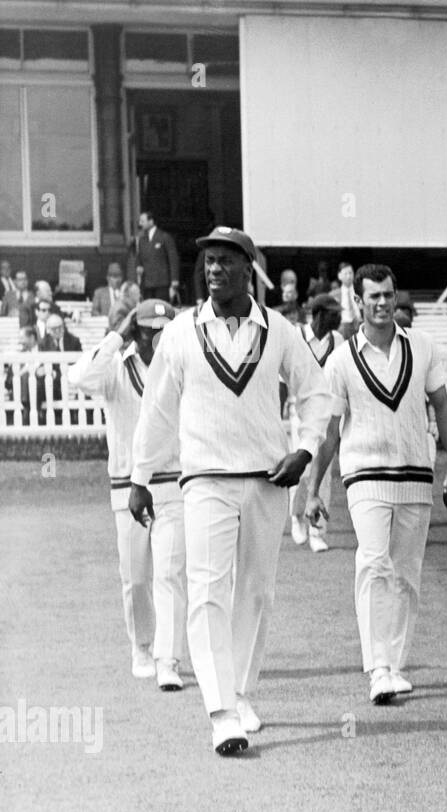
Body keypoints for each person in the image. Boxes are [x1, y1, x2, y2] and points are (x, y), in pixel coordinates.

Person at [129, 226, 332, 757]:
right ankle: (221, 713)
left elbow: (317, 394)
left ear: (249, 268)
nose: (213, 269)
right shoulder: (179, 332)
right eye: (208, 262)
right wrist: (140, 478)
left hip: (267, 479)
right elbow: (156, 411)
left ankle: (241, 693)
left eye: (224, 261)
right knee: (208, 591)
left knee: (257, 593)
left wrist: (305, 450)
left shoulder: (280, 330)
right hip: (204, 481)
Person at [304, 264, 447, 705]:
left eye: (388, 295)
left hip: (415, 473)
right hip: (365, 475)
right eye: (373, 296)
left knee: (406, 575)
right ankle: (377, 669)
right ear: (358, 301)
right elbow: (331, 430)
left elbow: (443, 406)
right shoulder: (340, 361)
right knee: (374, 564)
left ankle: (394, 666)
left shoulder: (424, 347)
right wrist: (314, 488)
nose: (382, 303)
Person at [67, 301, 187, 688]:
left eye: (165, 328)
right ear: (138, 331)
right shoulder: (116, 370)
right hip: (126, 489)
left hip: (173, 483)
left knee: (170, 574)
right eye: (151, 329)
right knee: (135, 577)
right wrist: (118, 334)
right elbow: (79, 378)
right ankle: (142, 646)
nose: (159, 335)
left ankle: (168, 658)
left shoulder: (181, 368)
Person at [289, 293, 346, 551]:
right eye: (334, 313)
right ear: (319, 314)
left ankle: (317, 531)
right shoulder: (296, 335)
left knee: (322, 472)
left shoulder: (338, 339)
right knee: (300, 471)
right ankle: (297, 517)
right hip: (299, 413)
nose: (340, 317)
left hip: (327, 414)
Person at [132, 211, 181, 303]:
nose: (140, 224)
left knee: (161, 309)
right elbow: (139, 257)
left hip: (162, 283)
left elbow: (173, 259)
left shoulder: (164, 237)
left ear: (151, 221)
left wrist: (174, 280)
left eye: (142, 221)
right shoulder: (141, 240)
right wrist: (138, 266)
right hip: (146, 283)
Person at [331, 263, 362, 339]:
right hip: (342, 328)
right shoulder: (333, 295)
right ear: (339, 276)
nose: (349, 276)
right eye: (345, 273)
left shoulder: (360, 291)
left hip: (359, 324)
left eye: (350, 273)